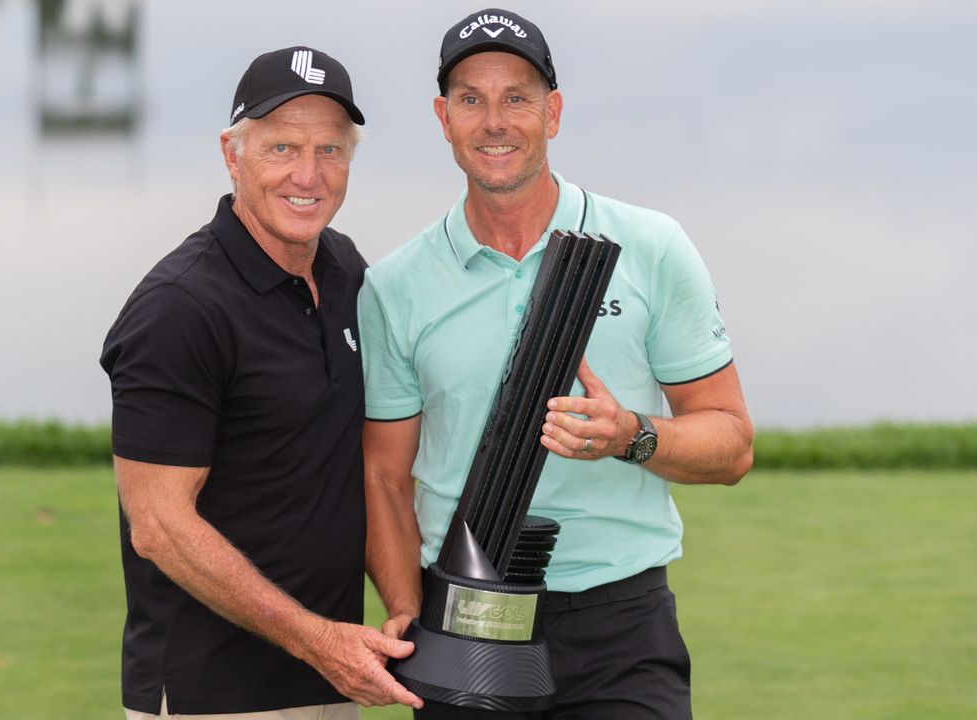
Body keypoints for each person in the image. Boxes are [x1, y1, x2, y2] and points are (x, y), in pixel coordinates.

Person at [358, 9, 754, 719]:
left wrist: (631, 434)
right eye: (472, 100)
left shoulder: (650, 247)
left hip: (619, 625)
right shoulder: (395, 286)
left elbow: (730, 442)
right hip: (463, 615)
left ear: (555, 112)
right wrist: (403, 606)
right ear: (443, 118)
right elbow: (384, 475)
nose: (495, 121)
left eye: (517, 97)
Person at [100, 46, 422, 719]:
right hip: (213, 696)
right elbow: (158, 525)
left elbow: (363, 465)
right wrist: (317, 642)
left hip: (332, 680)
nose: (308, 174)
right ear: (232, 154)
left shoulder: (342, 269)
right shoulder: (179, 308)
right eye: (282, 148)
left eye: (330, 151)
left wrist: (404, 609)